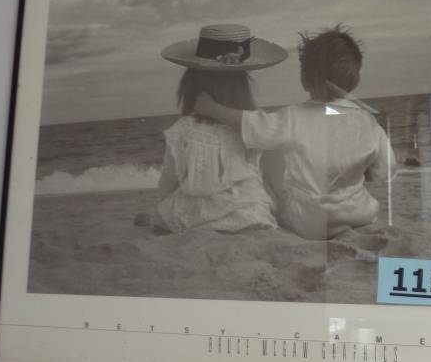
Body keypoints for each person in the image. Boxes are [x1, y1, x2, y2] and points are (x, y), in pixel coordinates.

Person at [194, 25, 396, 241]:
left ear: (305, 78)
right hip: (360, 215)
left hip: (309, 222)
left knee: (268, 148)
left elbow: (249, 122)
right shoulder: (368, 122)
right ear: (354, 78)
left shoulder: (293, 118)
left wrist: (211, 108)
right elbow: (385, 171)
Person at [154, 23, 288, 234]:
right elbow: (270, 173)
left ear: (190, 85)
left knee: (167, 212)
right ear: (243, 85)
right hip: (247, 210)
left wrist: (161, 208)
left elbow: (169, 182)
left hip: (197, 215)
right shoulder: (250, 124)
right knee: (256, 195)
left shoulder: (183, 129)